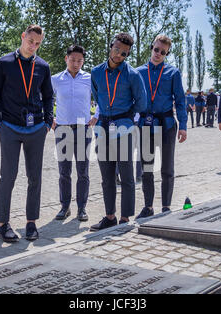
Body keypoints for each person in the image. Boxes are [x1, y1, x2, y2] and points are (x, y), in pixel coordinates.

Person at [0, 24, 53, 242]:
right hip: (10, 128)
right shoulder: (4, 63)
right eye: (30, 41)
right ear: (22, 36)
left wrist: (47, 122)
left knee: (35, 177)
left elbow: (48, 97)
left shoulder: (43, 67)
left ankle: (31, 223)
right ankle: (3, 223)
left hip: (36, 129)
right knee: (9, 175)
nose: (33, 46)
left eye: (38, 43)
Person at [90, 32, 147, 231]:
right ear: (111, 45)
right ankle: (109, 216)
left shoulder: (132, 75)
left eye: (124, 54)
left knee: (126, 174)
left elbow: (141, 102)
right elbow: (97, 95)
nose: (118, 55)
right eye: (116, 50)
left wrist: (128, 116)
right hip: (103, 127)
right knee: (107, 176)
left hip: (124, 127)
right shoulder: (96, 72)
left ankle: (124, 218)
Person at [135, 34, 187, 219]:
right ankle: (148, 206)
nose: (158, 54)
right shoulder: (138, 72)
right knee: (146, 168)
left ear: (167, 53)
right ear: (152, 47)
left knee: (167, 168)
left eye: (163, 52)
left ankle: (166, 206)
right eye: (156, 49)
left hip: (167, 125)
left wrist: (183, 126)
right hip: (145, 125)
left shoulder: (173, 73)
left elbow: (180, 101)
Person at [51, 45, 98, 222]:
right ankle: (65, 207)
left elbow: (101, 96)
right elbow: (45, 98)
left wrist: (97, 115)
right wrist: (50, 118)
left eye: (80, 60)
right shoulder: (56, 79)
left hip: (83, 129)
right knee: (64, 171)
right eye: (73, 60)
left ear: (83, 61)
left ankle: (82, 208)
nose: (76, 63)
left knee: (83, 171)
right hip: (62, 129)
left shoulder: (89, 78)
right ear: (66, 59)